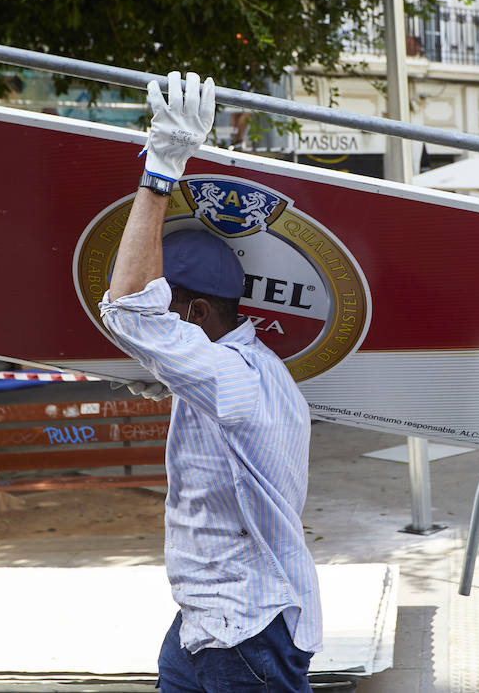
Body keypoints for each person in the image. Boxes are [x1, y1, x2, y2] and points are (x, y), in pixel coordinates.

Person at [98, 71, 322, 692]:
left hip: (245, 625)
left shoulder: (232, 376)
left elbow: (125, 311)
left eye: (169, 305)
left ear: (194, 314)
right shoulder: (240, 370)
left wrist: (162, 167)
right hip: (210, 617)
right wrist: (169, 380)